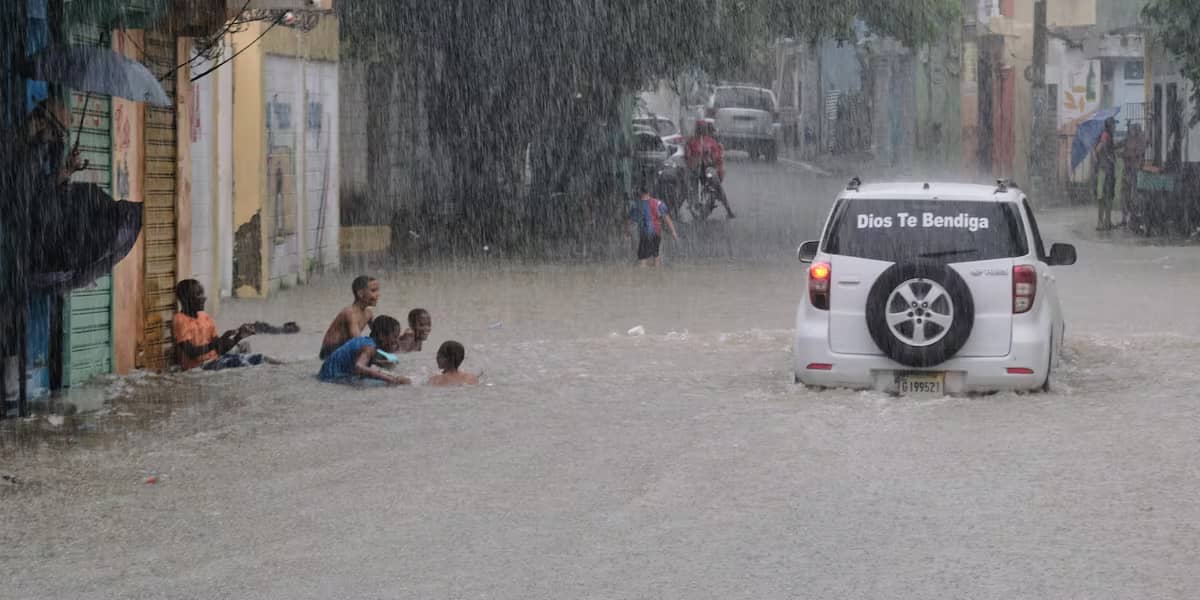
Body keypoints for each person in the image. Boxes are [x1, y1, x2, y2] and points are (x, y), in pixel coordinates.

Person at [173, 279, 276, 371]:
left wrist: (238, 337)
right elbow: (191, 352)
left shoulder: (205, 317)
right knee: (253, 361)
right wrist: (218, 342)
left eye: (203, 293)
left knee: (260, 357)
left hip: (215, 361)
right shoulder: (180, 320)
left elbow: (219, 350)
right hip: (200, 367)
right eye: (199, 294)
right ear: (186, 299)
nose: (204, 298)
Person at [318, 315, 412, 386]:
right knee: (380, 383)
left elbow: (359, 360)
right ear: (382, 336)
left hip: (325, 374)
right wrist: (392, 380)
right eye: (394, 337)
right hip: (330, 379)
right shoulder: (369, 347)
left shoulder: (366, 341)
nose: (396, 341)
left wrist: (381, 364)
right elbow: (359, 367)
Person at [319, 275, 379, 359]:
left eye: (377, 290)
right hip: (330, 351)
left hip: (344, 348)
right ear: (360, 294)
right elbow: (358, 342)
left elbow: (380, 333)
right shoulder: (350, 313)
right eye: (373, 291)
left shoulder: (369, 313)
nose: (378, 295)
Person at [684, 119, 735, 218]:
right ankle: (678, 208)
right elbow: (687, 156)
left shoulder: (711, 142)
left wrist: (709, 158)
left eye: (703, 128)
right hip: (695, 170)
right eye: (700, 128)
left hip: (708, 170)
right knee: (688, 187)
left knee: (719, 188)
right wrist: (692, 161)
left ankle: (728, 210)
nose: (701, 130)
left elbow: (717, 158)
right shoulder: (691, 141)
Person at [626, 185, 679, 267]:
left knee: (643, 257)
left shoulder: (636, 205)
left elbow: (629, 221)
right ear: (648, 192)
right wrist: (673, 232)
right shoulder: (658, 203)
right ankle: (656, 272)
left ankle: (642, 273)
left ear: (640, 193)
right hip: (656, 233)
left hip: (645, 234)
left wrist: (627, 232)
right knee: (656, 254)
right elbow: (667, 218)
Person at [1119, 122, 1147, 228]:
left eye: (1133, 130)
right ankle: (1126, 218)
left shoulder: (1140, 140)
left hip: (1134, 171)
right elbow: (1121, 146)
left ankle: (1132, 218)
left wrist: (1125, 155)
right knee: (1126, 195)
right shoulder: (1129, 140)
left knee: (1133, 195)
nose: (1132, 132)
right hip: (1129, 170)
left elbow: (1137, 155)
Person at [1093, 117, 1118, 231]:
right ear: (1110, 125)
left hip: (1106, 170)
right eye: (1114, 125)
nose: (1115, 127)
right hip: (1105, 171)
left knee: (1107, 197)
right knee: (1105, 197)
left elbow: (1102, 149)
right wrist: (1109, 157)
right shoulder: (1105, 135)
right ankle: (1102, 222)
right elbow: (1100, 147)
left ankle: (1106, 221)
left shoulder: (1108, 136)